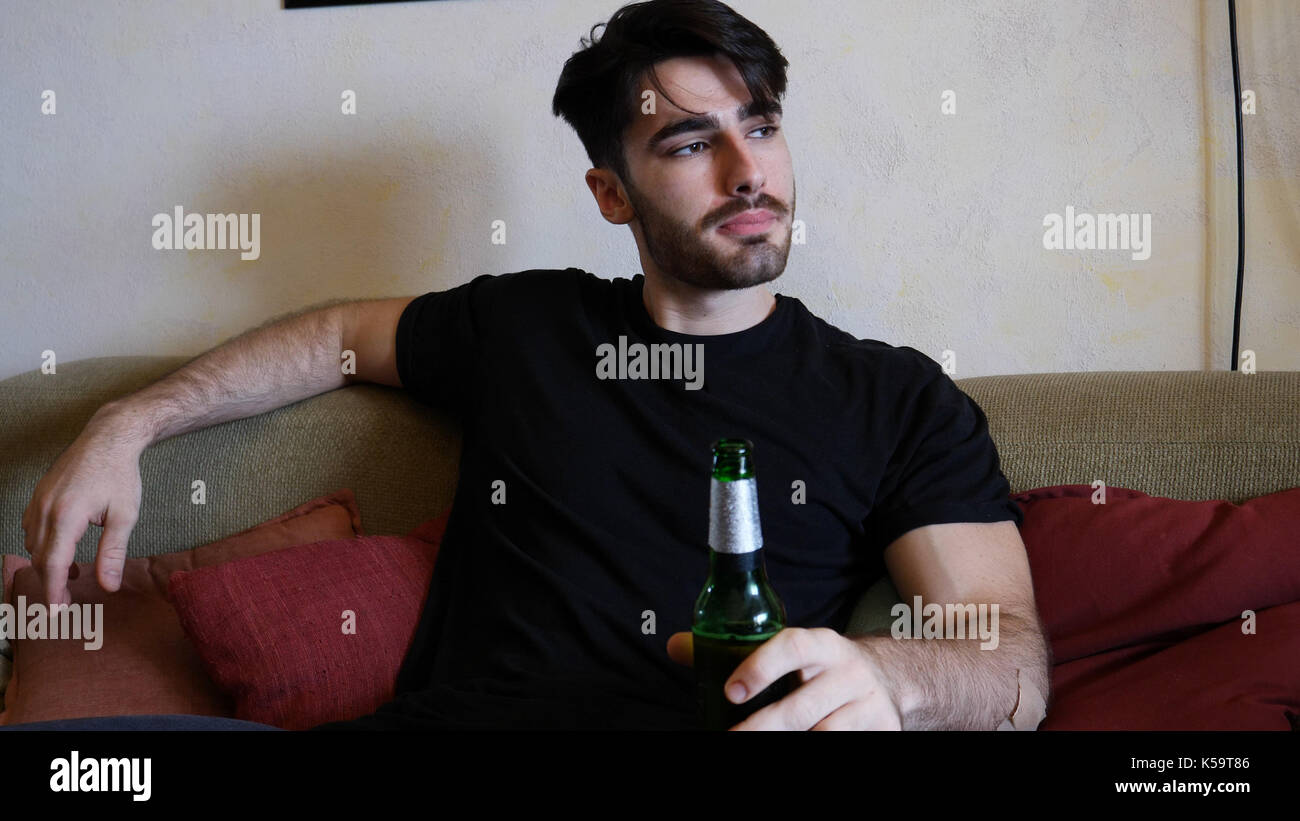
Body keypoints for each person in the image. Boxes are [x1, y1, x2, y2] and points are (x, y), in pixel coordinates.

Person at [16, 0, 1049, 732]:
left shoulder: (896, 395)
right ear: (611, 193)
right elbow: (332, 329)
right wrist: (130, 420)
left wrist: (885, 676)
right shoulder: (526, 323)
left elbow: (1007, 657)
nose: (749, 172)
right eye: (690, 143)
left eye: (762, 127)